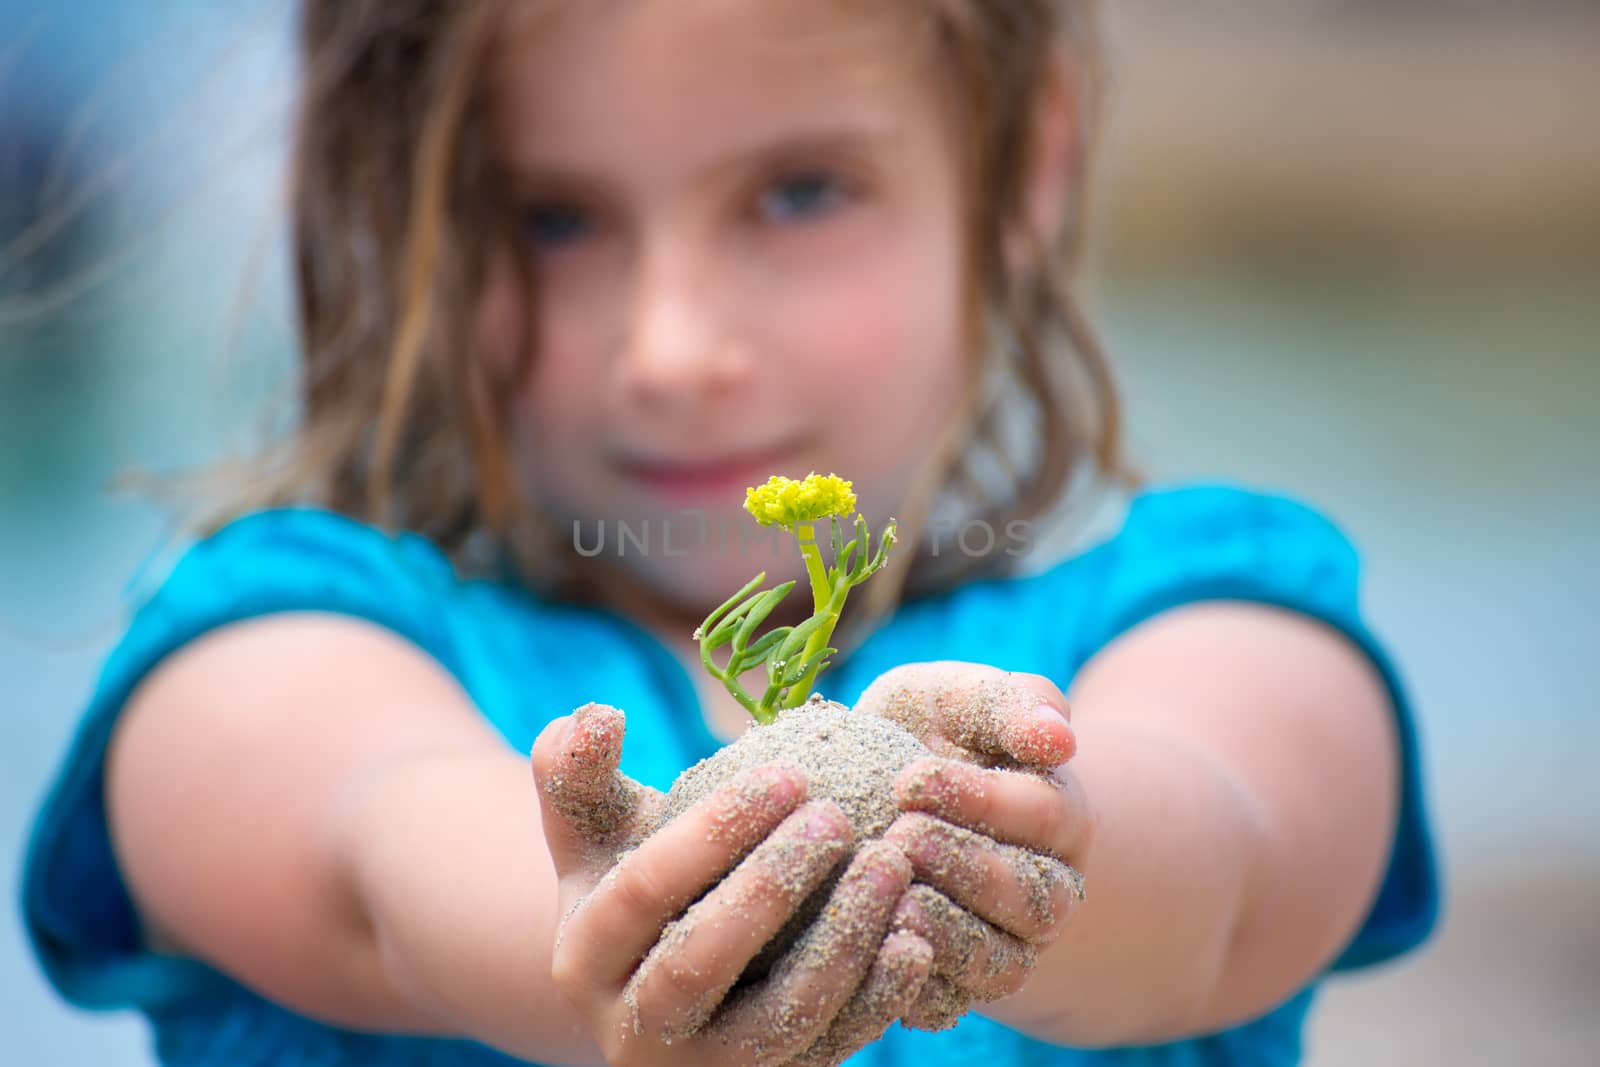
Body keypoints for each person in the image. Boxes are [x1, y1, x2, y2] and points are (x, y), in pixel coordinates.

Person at [21, 1, 1439, 1064]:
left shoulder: (1213, 627)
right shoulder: (267, 655)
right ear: (399, 215)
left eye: (799, 191)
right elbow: (375, 855)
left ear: (1028, 168)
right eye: (552, 217)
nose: (675, 349)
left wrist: (1031, 841)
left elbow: (1235, 853)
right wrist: (615, 919)